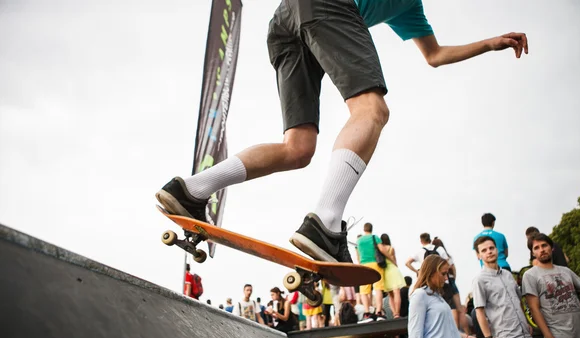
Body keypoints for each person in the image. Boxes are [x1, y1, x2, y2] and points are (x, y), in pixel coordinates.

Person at [155, 0, 528, 269]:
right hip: (327, 6)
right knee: (372, 110)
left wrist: (489, 44)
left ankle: (190, 190)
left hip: (286, 22)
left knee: (297, 148)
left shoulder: (411, 9)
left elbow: (434, 54)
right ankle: (326, 223)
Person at [472, 236, 542, 338]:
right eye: (484, 250)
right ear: (478, 255)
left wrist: (527, 324)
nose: (489, 252)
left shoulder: (508, 275)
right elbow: (479, 311)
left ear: (497, 250)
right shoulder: (479, 280)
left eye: (491, 248)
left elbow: (519, 302)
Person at [432, 237, 468, 333]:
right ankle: (468, 333)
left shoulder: (436, 256)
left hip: (446, 284)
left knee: (451, 308)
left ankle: (455, 332)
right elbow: (453, 268)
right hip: (452, 281)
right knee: (459, 309)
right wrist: (453, 279)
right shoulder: (448, 255)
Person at [355, 223, 387, 322]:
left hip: (364, 265)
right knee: (378, 288)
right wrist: (389, 258)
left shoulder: (358, 241)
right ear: (371, 229)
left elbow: (358, 257)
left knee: (364, 291)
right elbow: (381, 249)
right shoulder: (375, 237)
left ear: (364, 229)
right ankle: (378, 311)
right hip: (375, 264)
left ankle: (367, 312)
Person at [380, 233, 406, 318]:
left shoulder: (380, 249)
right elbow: (395, 261)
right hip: (393, 270)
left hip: (385, 272)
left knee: (390, 295)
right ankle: (397, 313)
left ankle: (394, 312)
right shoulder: (391, 249)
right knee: (397, 292)